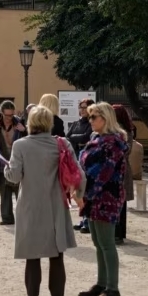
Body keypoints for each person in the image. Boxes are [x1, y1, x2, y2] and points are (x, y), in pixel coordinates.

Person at [3, 105, 84, 296]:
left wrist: (5, 168)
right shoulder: (62, 143)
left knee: (32, 255)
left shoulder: (20, 145)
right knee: (57, 254)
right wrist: (79, 195)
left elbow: (13, 177)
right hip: (56, 204)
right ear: (49, 122)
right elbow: (79, 175)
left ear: (30, 122)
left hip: (30, 204)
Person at [77, 103, 129, 296]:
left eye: (94, 117)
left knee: (107, 244)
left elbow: (104, 173)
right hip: (93, 196)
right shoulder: (97, 139)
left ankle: (113, 289)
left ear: (105, 118)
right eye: (90, 117)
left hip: (106, 197)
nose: (90, 120)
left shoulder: (113, 142)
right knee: (98, 243)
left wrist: (86, 194)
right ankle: (102, 283)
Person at [0, 100, 26, 225]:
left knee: (20, 192)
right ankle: (7, 218)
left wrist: (24, 130)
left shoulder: (20, 123)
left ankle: (23, 219)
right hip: (1, 163)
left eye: (11, 115)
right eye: (7, 115)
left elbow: (29, 141)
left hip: (18, 162)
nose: (9, 118)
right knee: (5, 191)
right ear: (1, 113)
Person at [67, 98, 94, 232]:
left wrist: (74, 137)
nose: (82, 110)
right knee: (79, 190)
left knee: (86, 189)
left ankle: (88, 221)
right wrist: (76, 138)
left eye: (85, 107)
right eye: (81, 107)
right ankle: (83, 218)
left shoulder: (92, 123)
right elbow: (68, 136)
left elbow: (86, 137)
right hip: (76, 157)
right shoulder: (76, 123)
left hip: (86, 159)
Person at [111, 104, 137, 245]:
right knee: (122, 202)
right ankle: (120, 233)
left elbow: (122, 151)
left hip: (117, 167)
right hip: (124, 166)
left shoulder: (118, 131)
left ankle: (117, 234)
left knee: (116, 200)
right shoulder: (128, 130)